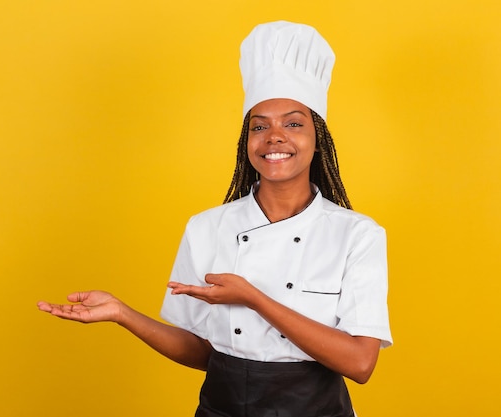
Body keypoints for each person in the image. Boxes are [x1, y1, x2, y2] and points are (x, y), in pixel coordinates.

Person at [38, 21, 392, 417]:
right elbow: (205, 352)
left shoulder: (356, 234)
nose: (274, 136)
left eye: (293, 123)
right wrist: (122, 313)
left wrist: (254, 298)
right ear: (247, 142)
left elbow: (360, 364)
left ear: (318, 138)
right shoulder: (206, 228)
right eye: (259, 126)